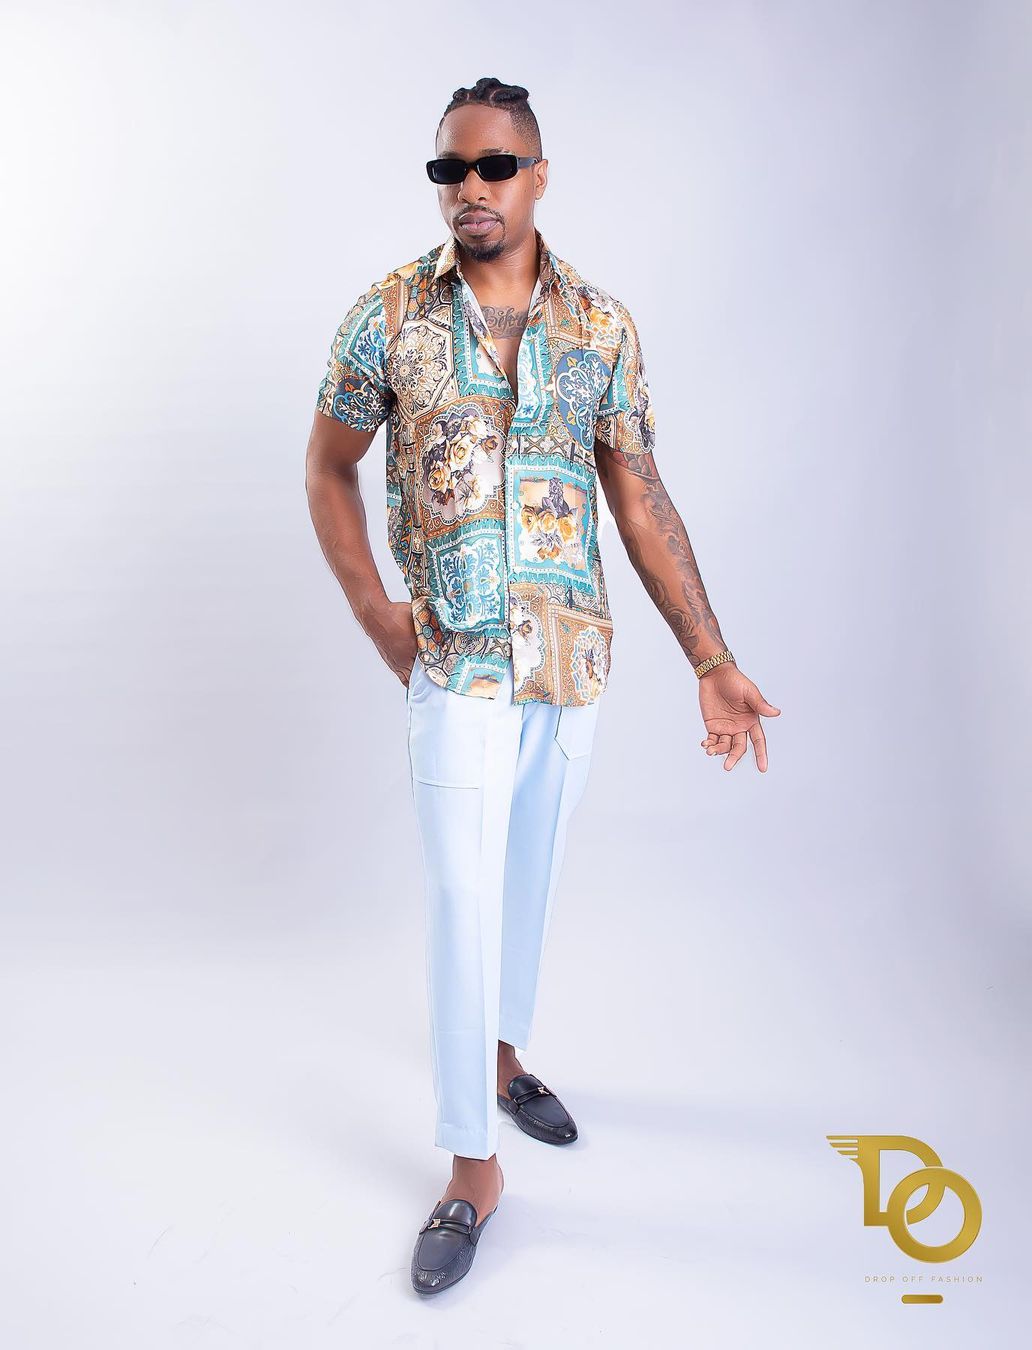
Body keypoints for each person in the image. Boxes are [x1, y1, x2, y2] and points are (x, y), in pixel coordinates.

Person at [305, 75, 781, 1295]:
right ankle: (474, 1167)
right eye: (450, 169)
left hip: (566, 662)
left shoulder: (601, 327)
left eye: (494, 166)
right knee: (462, 897)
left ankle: (506, 1059)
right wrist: (373, 611)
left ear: (538, 175)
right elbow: (328, 467)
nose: (471, 188)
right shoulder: (386, 317)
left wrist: (712, 659)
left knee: (525, 883)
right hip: (454, 657)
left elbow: (640, 496)